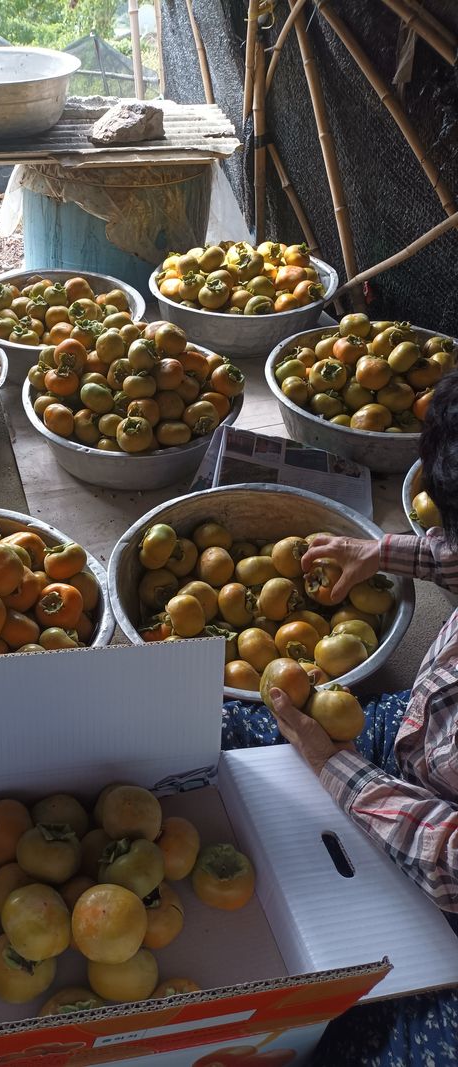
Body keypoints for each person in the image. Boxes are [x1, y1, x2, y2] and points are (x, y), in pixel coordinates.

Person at [223, 368, 458, 1065]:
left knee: (365, 1037)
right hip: (423, 734)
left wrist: (334, 767)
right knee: (234, 731)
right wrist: (391, 550)